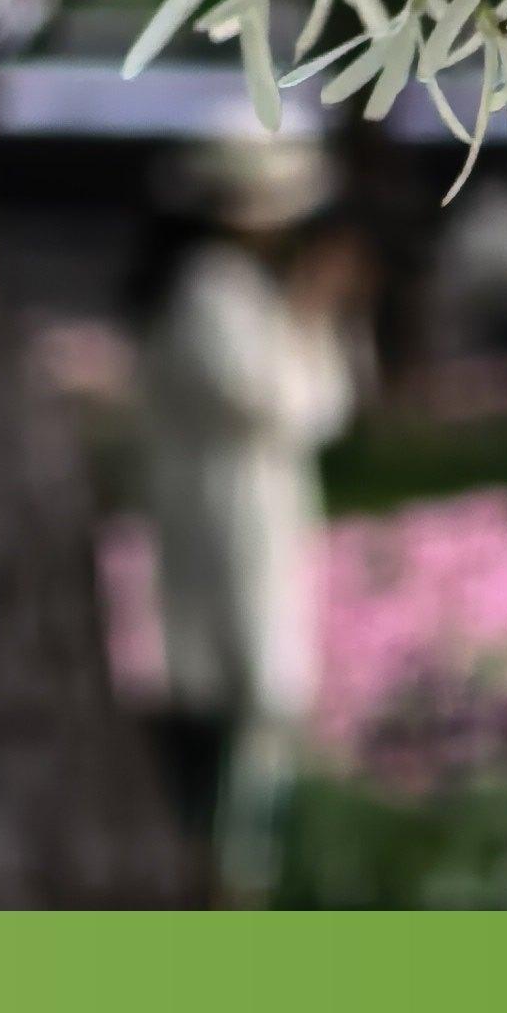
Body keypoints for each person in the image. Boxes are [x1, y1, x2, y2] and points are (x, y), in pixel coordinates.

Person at [133, 135, 369, 900]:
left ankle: (233, 864)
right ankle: (228, 869)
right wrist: (310, 312)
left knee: (251, 685)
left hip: (245, 502)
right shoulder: (210, 291)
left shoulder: (232, 288)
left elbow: (323, 404)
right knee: (249, 685)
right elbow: (290, 406)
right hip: (227, 506)